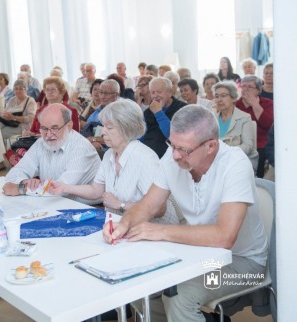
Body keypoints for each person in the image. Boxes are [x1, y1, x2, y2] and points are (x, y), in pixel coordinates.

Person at [104, 105, 267, 322]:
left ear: (211, 146)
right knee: (140, 282)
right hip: (197, 253)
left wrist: (161, 231)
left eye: (184, 150)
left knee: (179, 294)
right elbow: (148, 206)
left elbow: (224, 237)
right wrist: (124, 224)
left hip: (241, 262)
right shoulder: (174, 158)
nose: (175, 155)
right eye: (172, 145)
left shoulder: (234, 164)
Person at [50, 99, 179, 223]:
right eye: (103, 126)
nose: (103, 132)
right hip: (124, 225)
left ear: (126, 129)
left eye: (109, 127)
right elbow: (96, 190)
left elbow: (159, 209)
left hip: (155, 232)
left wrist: (120, 205)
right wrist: (65, 187)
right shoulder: (109, 155)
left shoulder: (144, 158)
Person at [3, 103, 101, 204]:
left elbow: (59, 190)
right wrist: (25, 182)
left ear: (69, 126)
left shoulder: (81, 148)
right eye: (44, 128)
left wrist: (22, 188)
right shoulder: (41, 143)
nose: (48, 135)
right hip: (50, 204)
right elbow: (13, 174)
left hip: (86, 210)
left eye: (55, 128)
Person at [213, 81, 258, 170]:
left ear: (234, 98)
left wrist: (224, 154)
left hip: (238, 162)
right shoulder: (212, 118)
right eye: (217, 96)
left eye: (223, 96)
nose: (219, 100)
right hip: (216, 163)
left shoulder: (245, 118)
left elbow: (247, 146)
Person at [236, 75, 274, 178]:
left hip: (261, 145)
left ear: (258, 90)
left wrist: (255, 105)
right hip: (239, 143)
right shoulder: (235, 104)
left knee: (259, 157)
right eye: (243, 86)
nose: (245, 89)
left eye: (249, 87)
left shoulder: (268, 103)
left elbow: (268, 125)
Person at [141, 77, 186, 158]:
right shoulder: (147, 112)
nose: (155, 96)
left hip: (172, 159)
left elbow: (174, 136)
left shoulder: (183, 109)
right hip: (148, 158)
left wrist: (158, 113)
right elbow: (141, 136)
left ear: (170, 92)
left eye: (159, 92)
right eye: (152, 92)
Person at [81, 79, 121, 157]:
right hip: (95, 149)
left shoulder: (122, 112)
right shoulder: (95, 113)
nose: (102, 96)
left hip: (115, 152)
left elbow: (119, 138)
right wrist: (91, 143)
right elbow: (85, 135)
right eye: (101, 92)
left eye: (106, 93)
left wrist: (93, 139)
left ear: (116, 95)